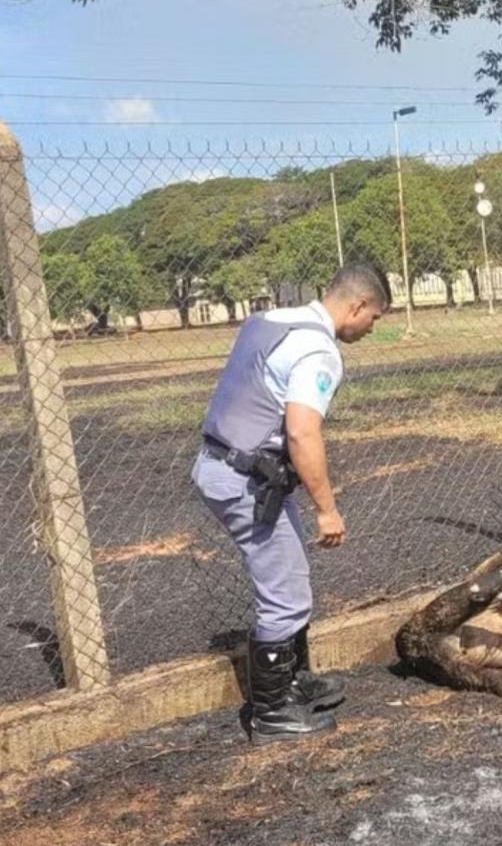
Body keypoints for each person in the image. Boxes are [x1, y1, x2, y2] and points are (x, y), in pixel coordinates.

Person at [191, 264, 390, 742]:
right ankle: (272, 713)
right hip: (245, 479)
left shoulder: (271, 320)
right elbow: (302, 432)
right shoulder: (319, 350)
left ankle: (295, 681)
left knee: (291, 568)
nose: (372, 327)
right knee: (284, 592)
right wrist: (327, 507)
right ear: (357, 306)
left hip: (226, 464)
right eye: (375, 318)